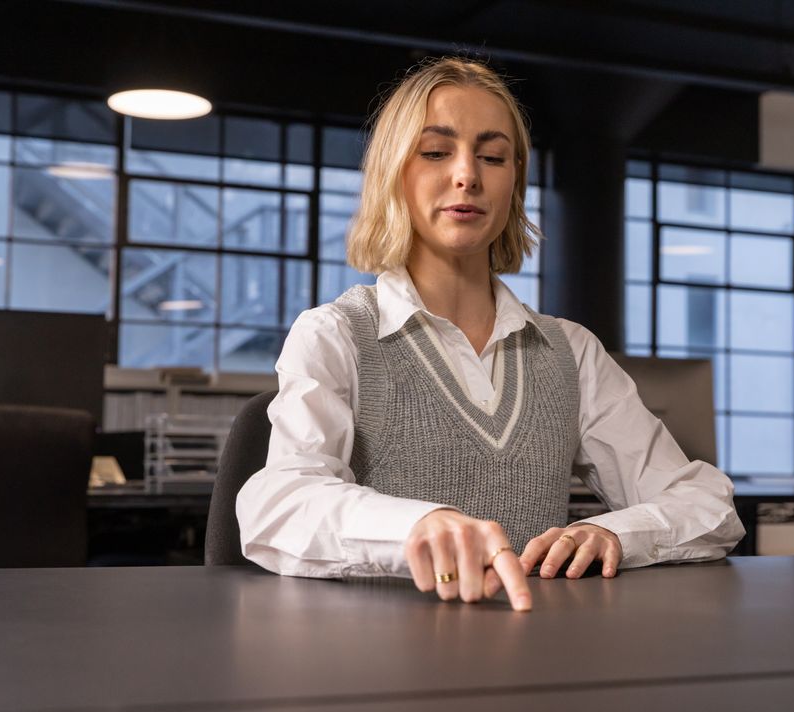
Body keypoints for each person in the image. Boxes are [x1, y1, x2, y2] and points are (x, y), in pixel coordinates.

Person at [236, 57, 744, 612]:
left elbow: (705, 503)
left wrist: (617, 533)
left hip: (534, 653)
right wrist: (419, 526)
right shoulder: (335, 334)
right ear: (392, 172)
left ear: (514, 181)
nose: (467, 176)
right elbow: (281, 502)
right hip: (379, 660)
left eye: (493, 156)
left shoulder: (570, 352)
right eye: (435, 152)